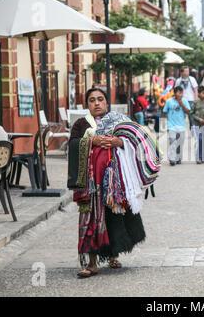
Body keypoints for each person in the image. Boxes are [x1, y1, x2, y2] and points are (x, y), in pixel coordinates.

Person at [67, 88, 146, 278]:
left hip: (114, 183)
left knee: (113, 217)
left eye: (100, 99)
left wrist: (118, 142)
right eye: (92, 100)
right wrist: (92, 141)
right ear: (87, 105)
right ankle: (92, 263)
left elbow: (134, 141)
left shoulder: (118, 121)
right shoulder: (81, 124)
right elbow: (72, 145)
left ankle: (113, 255)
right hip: (90, 184)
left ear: (106, 103)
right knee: (91, 220)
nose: (96, 103)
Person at [162, 86, 191, 166]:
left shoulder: (184, 101)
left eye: (182, 93)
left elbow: (188, 112)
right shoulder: (169, 101)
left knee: (180, 143)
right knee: (173, 142)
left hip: (181, 126)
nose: (181, 95)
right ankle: (172, 158)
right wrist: (164, 122)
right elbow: (164, 111)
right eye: (179, 93)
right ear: (175, 93)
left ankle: (178, 158)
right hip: (171, 126)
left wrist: (182, 104)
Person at [190, 86, 204, 164]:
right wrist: (198, 119)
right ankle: (198, 157)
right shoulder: (195, 103)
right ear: (198, 94)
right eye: (203, 93)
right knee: (198, 141)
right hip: (197, 125)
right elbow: (191, 113)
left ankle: (203, 157)